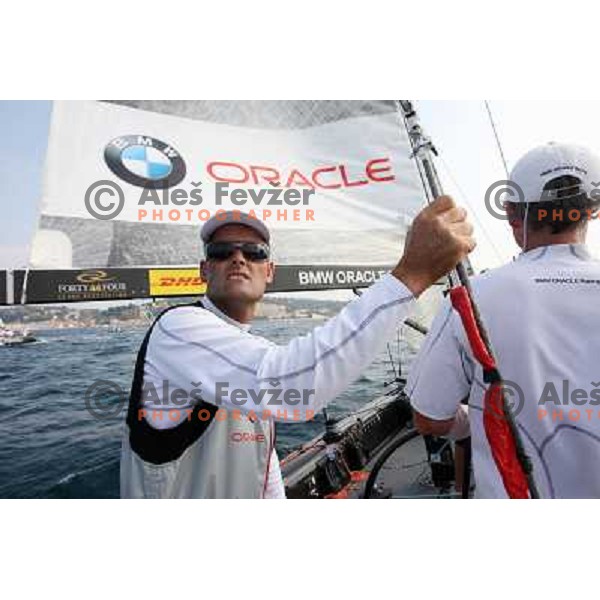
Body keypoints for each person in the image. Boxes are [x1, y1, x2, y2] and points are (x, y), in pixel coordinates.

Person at [121, 196, 475, 498]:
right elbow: (292, 387)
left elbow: (263, 465)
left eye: (254, 252)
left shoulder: (248, 352)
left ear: (269, 271)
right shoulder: (178, 329)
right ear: (203, 269)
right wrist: (411, 275)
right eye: (221, 250)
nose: (239, 258)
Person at [407, 142, 600, 499]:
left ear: (513, 216)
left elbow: (429, 416)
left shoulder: (471, 298)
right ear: (594, 211)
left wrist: (469, 421)